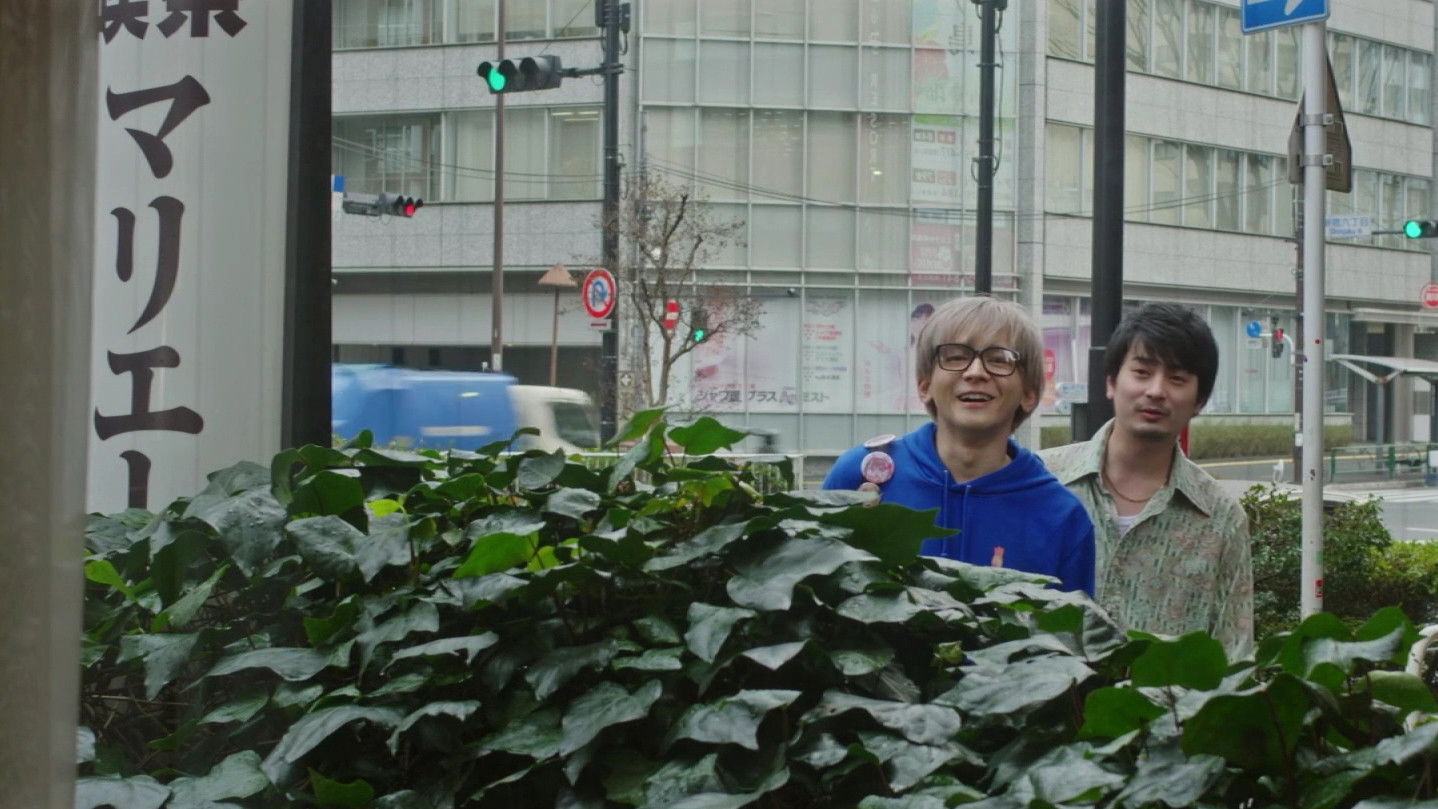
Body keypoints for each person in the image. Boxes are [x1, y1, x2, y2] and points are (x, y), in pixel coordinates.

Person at [823, 296, 1095, 595]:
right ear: (925, 386)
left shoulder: (1060, 515)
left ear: (1029, 394)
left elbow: (1072, 624)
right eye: (954, 357)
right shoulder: (860, 475)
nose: (975, 372)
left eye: (999, 359)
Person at [1039, 303, 1253, 658]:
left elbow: (1234, 651)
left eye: (1177, 379)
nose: (1156, 390)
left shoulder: (1221, 518)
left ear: (1199, 400)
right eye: (1141, 372)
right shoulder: (1044, 481)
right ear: (1111, 382)